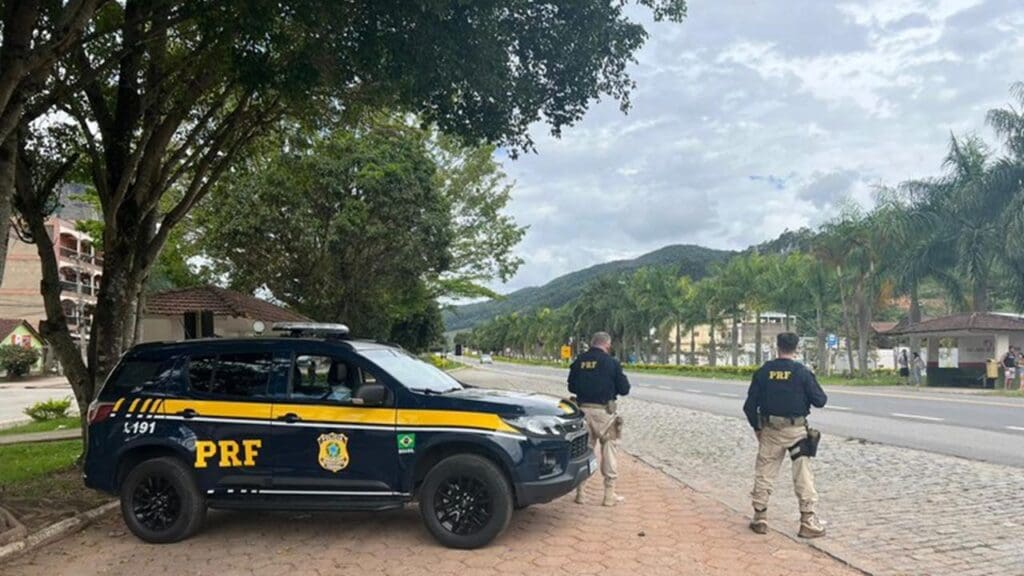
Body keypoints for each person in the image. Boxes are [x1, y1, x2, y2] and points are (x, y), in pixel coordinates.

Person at [743, 332, 828, 539]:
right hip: (797, 432)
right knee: (803, 474)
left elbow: (749, 406)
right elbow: (820, 400)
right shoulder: (802, 373)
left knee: (765, 471)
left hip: (771, 430)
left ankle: (760, 517)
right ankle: (807, 520)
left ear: (776, 346)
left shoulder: (763, 372)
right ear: (796, 348)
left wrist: (757, 428)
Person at [568, 331, 631, 506]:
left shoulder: (579, 361)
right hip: (604, 414)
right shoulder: (611, 363)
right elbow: (625, 389)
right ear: (607, 344)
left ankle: (580, 493)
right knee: (609, 451)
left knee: (583, 451)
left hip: (581, 412)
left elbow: (572, 386)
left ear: (591, 343)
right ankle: (609, 496)